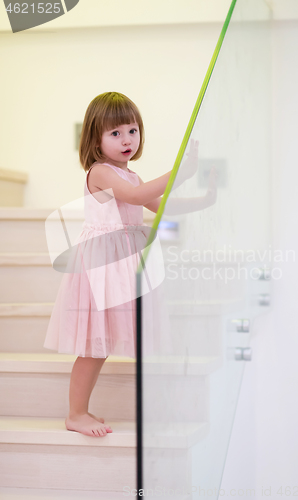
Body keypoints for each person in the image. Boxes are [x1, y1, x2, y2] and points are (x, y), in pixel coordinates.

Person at [43, 91, 217, 438]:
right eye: (115, 133)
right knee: (92, 347)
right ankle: (75, 413)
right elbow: (136, 198)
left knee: (101, 346)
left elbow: (159, 205)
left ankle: (82, 410)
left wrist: (205, 198)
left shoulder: (131, 176)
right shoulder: (101, 172)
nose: (127, 139)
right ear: (95, 139)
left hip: (122, 265)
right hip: (101, 265)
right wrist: (178, 173)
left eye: (132, 131)